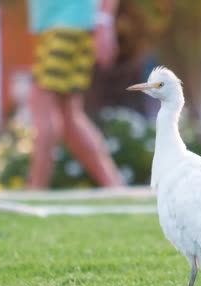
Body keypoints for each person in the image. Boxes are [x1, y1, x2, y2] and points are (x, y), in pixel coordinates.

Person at [27, 0, 124, 189]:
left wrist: (104, 21)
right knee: (69, 116)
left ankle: (36, 189)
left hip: (67, 26)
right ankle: (115, 186)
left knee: (41, 102)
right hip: (60, 25)